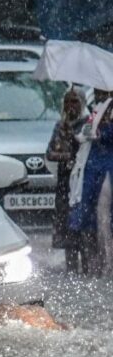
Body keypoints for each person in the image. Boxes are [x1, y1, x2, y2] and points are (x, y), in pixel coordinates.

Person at [70, 89, 113, 275]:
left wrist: (103, 133)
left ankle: (107, 260)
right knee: (92, 213)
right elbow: (85, 132)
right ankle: (97, 260)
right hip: (92, 167)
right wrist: (86, 132)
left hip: (107, 166)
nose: (97, 92)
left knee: (104, 213)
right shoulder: (97, 109)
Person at [46, 88, 86, 271]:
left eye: (75, 101)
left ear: (82, 104)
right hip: (65, 181)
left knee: (82, 225)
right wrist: (67, 155)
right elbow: (50, 152)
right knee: (66, 223)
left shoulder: (87, 124)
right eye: (67, 102)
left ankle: (87, 267)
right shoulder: (61, 125)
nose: (70, 106)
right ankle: (71, 269)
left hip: (82, 180)